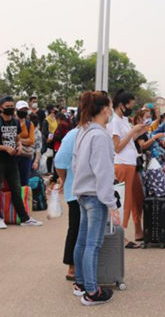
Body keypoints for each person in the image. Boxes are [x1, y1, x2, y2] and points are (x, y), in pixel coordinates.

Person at [71, 91, 120, 306]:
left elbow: (75, 163)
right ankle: (92, 291)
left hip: (83, 192)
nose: (111, 110)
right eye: (110, 106)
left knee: (82, 241)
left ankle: (81, 283)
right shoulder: (100, 136)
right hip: (95, 196)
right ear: (104, 109)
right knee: (93, 244)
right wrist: (111, 203)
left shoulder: (83, 131)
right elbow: (104, 172)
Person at [0, 96, 43, 229]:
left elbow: (17, 138)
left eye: (12, 106)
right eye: (8, 106)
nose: (10, 109)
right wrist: (4, 148)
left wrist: (19, 146)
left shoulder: (15, 122)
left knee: (16, 189)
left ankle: (24, 218)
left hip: (12, 161)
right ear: (0, 107)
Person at [108, 90, 148, 248]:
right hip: (122, 163)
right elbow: (117, 147)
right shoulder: (115, 121)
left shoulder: (123, 119)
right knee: (123, 202)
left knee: (130, 200)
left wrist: (139, 132)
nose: (131, 109)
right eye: (130, 106)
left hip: (130, 163)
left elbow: (128, 140)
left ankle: (123, 233)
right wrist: (133, 131)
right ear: (121, 105)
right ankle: (119, 235)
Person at [54, 100, 84, 282]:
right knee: (76, 227)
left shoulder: (96, 133)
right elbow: (59, 161)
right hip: (77, 191)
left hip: (89, 190)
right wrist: (64, 179)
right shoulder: (73, 135)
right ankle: (72, 265)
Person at [15, 100, 35, 186]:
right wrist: (24, 140)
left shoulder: (29, 124)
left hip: (25, 156)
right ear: (16, 110)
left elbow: (31, 140)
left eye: (25, 110)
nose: (23, 111)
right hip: (13, 155)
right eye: (21, 109)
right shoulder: (11, 122)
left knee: (24, 181)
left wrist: (18, 139)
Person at [42, 104, 58, 174]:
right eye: (54, 109)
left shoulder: (55, 118)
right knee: (50, 156)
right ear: (51, 110)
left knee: (56, 156)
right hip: (50, 141)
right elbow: (45, 131)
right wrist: (51, 136)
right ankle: (49, 171)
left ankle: (55, 172)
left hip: (56, 140)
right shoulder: (46, 120)